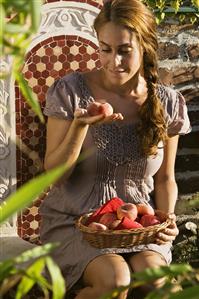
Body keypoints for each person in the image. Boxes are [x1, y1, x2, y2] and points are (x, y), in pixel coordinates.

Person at [39, 0, 191, 298]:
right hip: (76, 224)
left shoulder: (168, 102)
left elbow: (165, 179)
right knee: (115, 281)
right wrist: (80, 126)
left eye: (124, 51)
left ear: (145, 47)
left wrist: (167, 221)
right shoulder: (70, 92)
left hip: (137, 225)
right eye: (105, 49)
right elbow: (54, 177)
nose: (113, 61)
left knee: (157, 281)